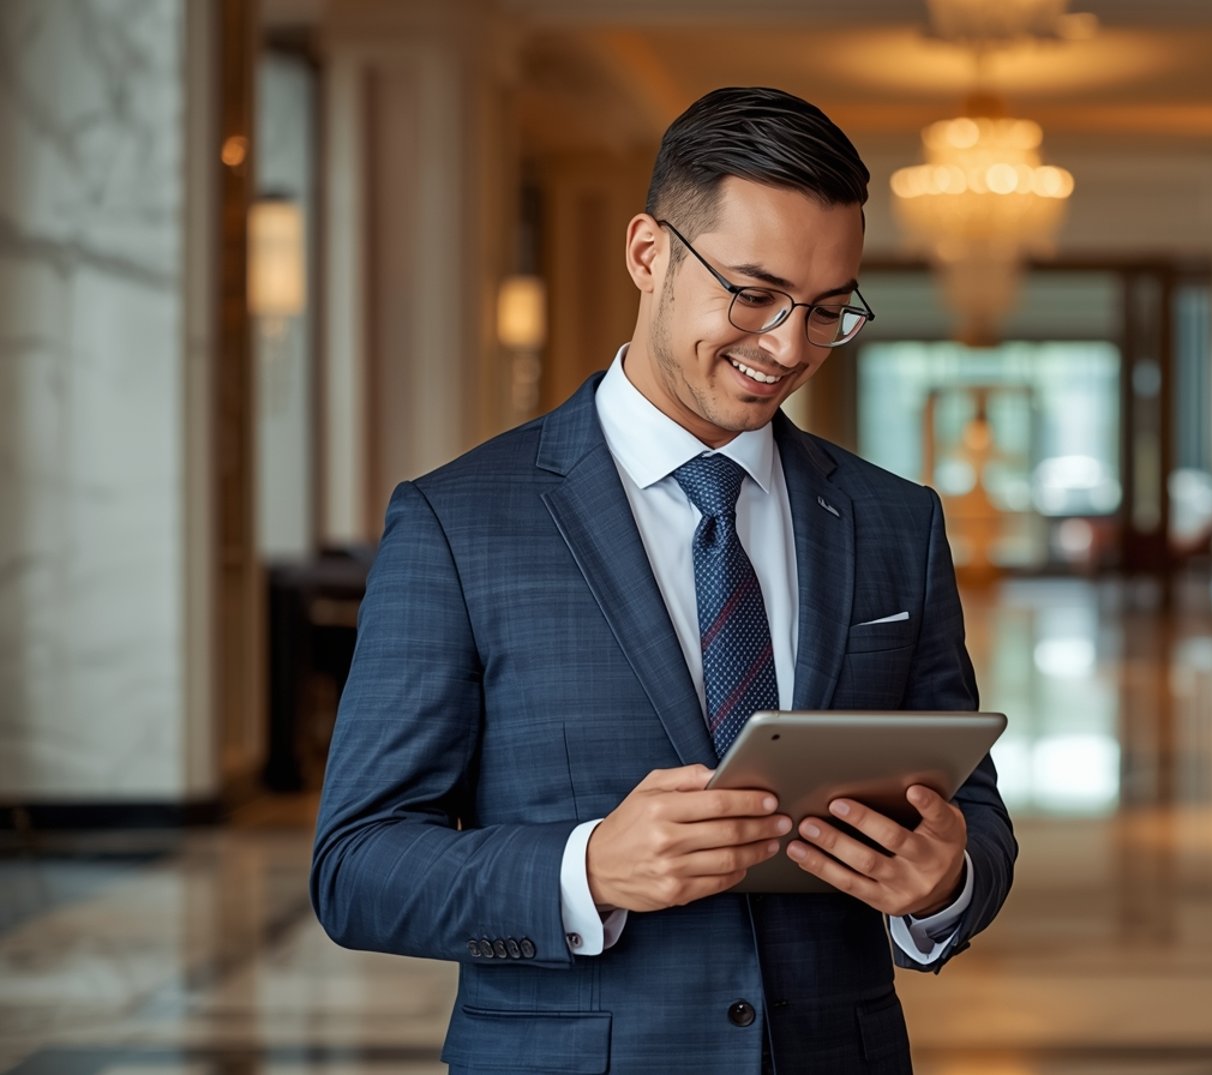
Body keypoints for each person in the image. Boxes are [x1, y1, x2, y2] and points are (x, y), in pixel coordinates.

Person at [310, 86, 1016, 1075]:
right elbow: (357, 872)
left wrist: (943, 886)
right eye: (754, 294)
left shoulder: (898, 522)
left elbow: (972, 810)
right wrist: (586, 868)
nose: (786, 347)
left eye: (826, 312)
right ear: (649, 254)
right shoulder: (459, 522)